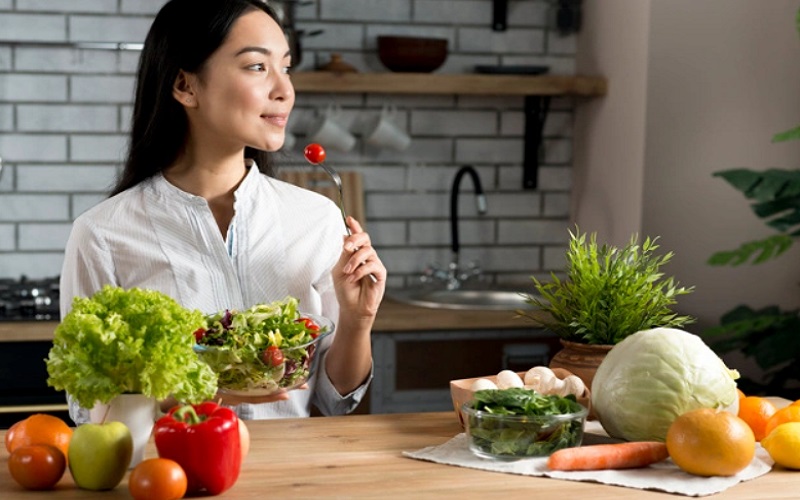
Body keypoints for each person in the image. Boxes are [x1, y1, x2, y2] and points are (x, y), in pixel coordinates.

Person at [60, 0, 386, 422]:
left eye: (285, 67)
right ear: (185, 85)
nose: (284, 90)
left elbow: (333, 398)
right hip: (174, 480)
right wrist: (194, 392)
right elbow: (89, 408)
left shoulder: (316, 218)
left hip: (294, 481)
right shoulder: (102, 234)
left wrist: (359, 321)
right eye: (256, 66)